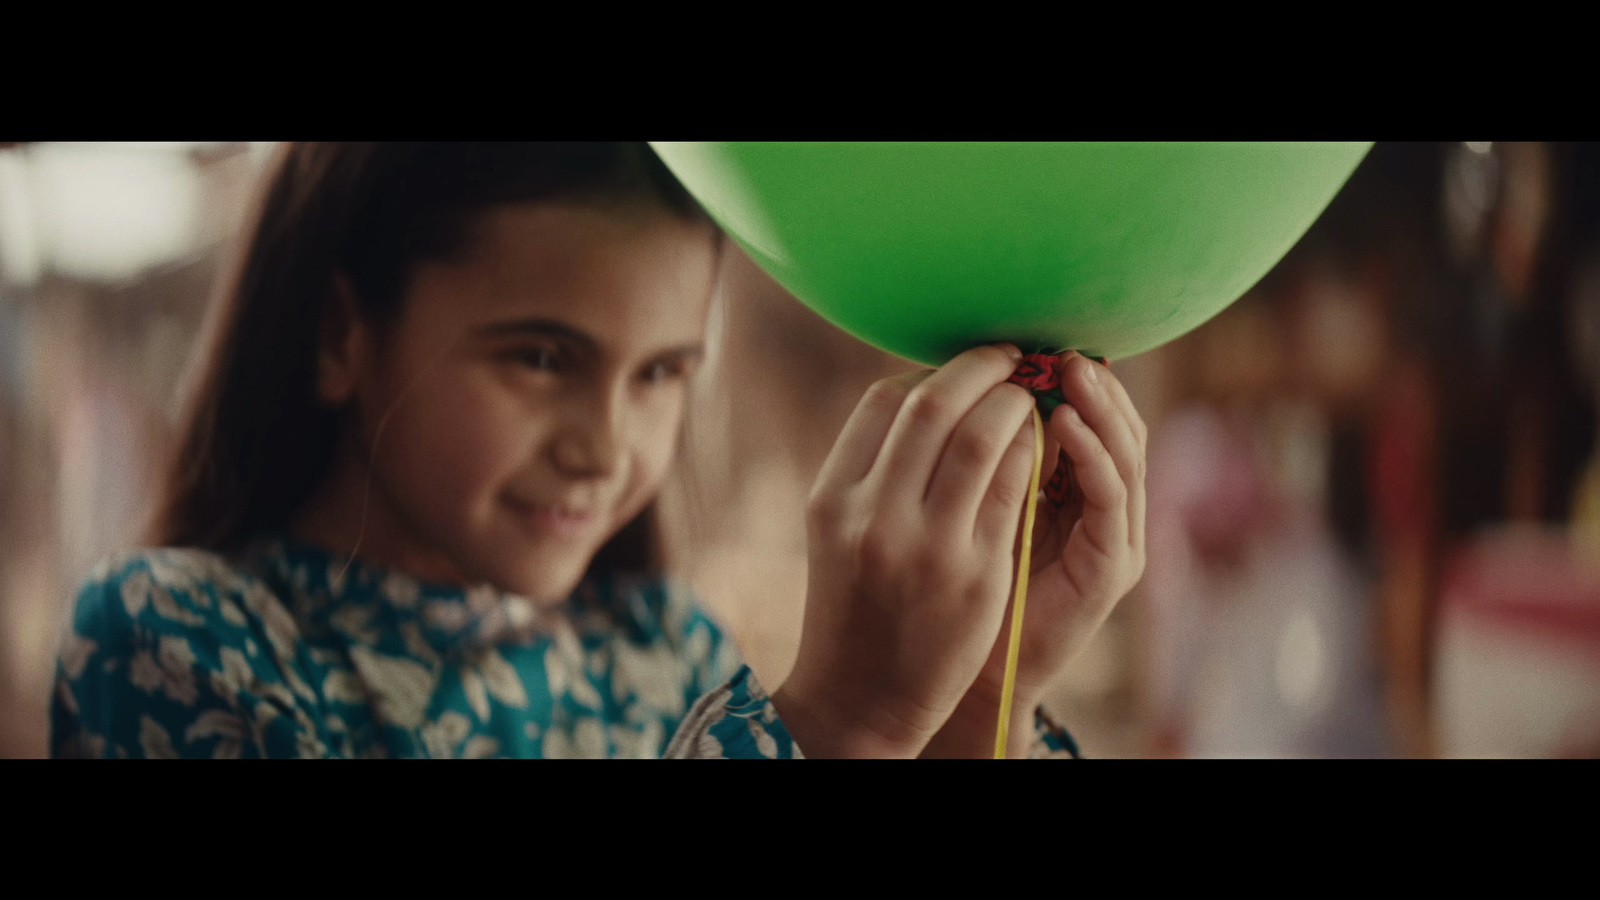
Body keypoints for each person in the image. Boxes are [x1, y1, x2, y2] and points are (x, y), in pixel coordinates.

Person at [49, 142, 1146, 759]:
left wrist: (973, 702)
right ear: (344, 333)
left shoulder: (665, 650)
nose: (607, 445)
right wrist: (838, 726)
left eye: (663, 373)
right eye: (539, 357)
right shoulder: (174, 642)